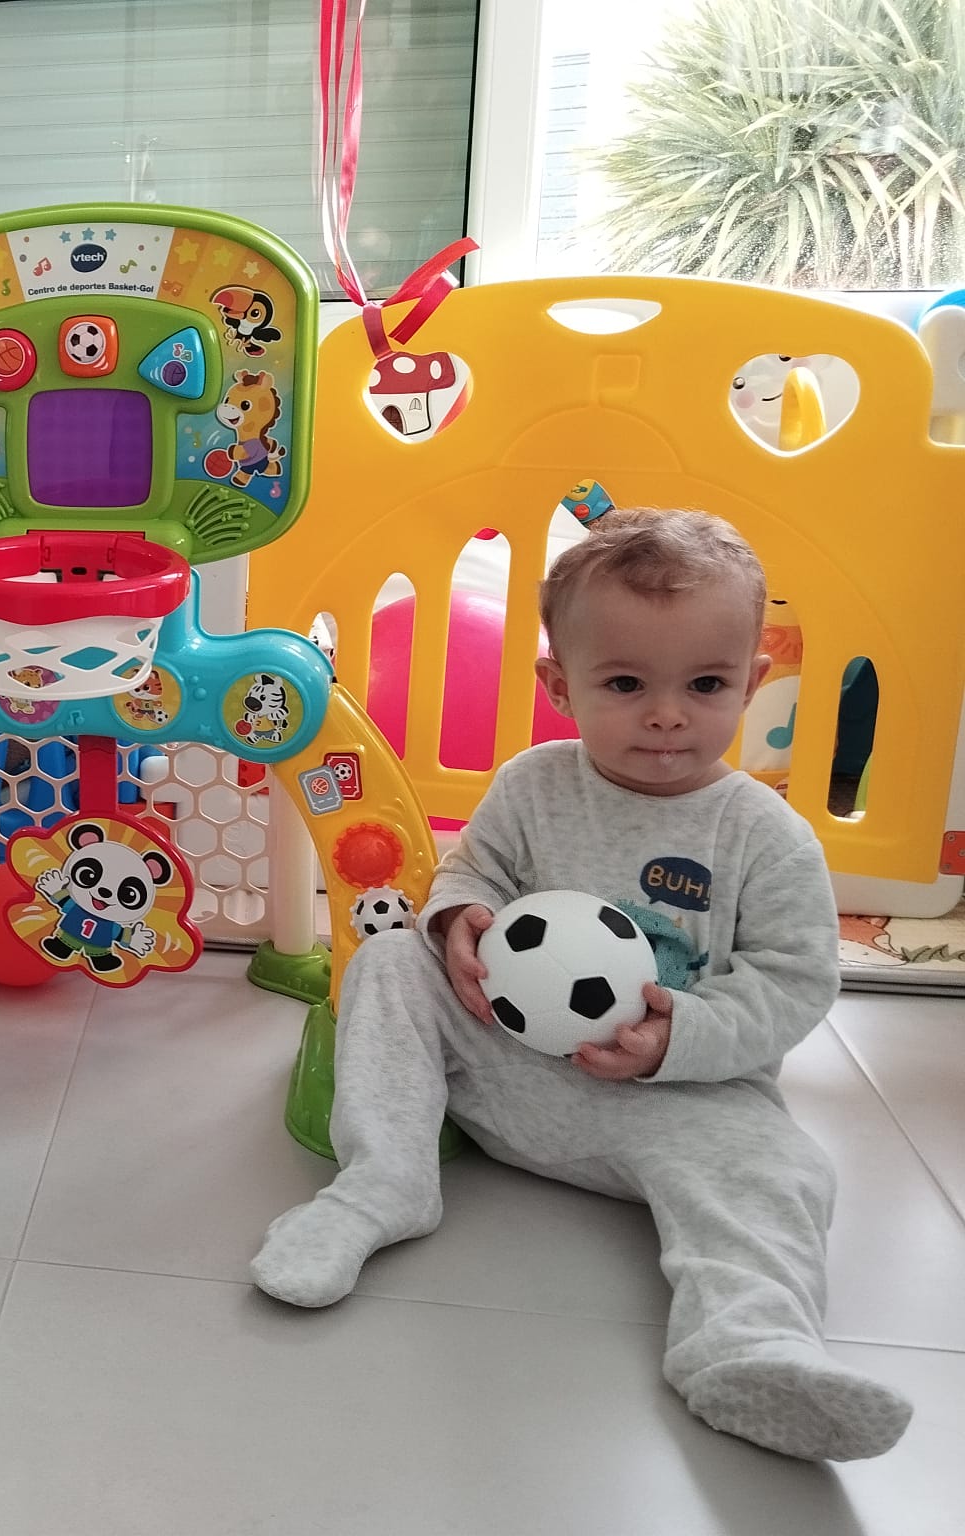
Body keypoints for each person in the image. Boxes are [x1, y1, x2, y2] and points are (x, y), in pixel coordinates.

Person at [250, 509, 913, 1462]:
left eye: (707, 684)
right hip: (508, 1072)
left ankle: (745, 1346)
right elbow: (471, 872)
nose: (668, 713)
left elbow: (794, 982)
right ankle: (384, 1181)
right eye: (627, 683)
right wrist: (460, 923)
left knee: (785, 1173)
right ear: (560, 687)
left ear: (753, 683)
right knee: (393, 950)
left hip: (674, 1103)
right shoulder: (532, 785)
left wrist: (678, 1036)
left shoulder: (763, 836)